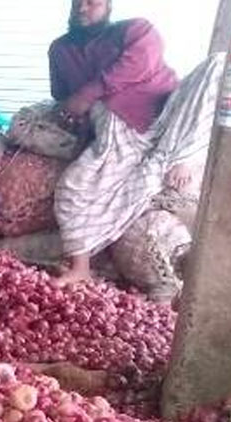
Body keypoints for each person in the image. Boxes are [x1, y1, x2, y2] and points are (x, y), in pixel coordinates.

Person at [49, 0, 220, 288]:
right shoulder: (60, 49)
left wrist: (89, 92)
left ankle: (184, 155)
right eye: (77, 2)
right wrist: (70, 112)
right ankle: (81, 267)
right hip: (116, 138)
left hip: (166, 118)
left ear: (108, 6)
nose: (82, 8)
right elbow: (62, 96)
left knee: (218, 64)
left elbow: (139, 63)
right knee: (71, 188)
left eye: (92, 2)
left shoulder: (136, 30)